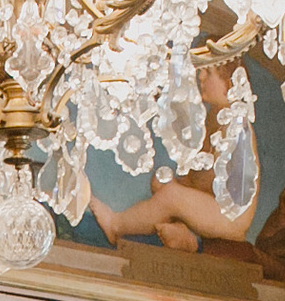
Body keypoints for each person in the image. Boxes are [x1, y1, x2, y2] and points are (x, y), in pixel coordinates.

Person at [88, 62, 262, 254]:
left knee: (172, 195)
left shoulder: (237, 125)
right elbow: (199, 168)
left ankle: (115, 226)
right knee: (162, 184)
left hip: (231, 216)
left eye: (208, 72)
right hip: (216, 206)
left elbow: (232, 191)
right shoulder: (214, 116)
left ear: (228, 84)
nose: (201, 77)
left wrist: (182, 190)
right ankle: (185, 236)